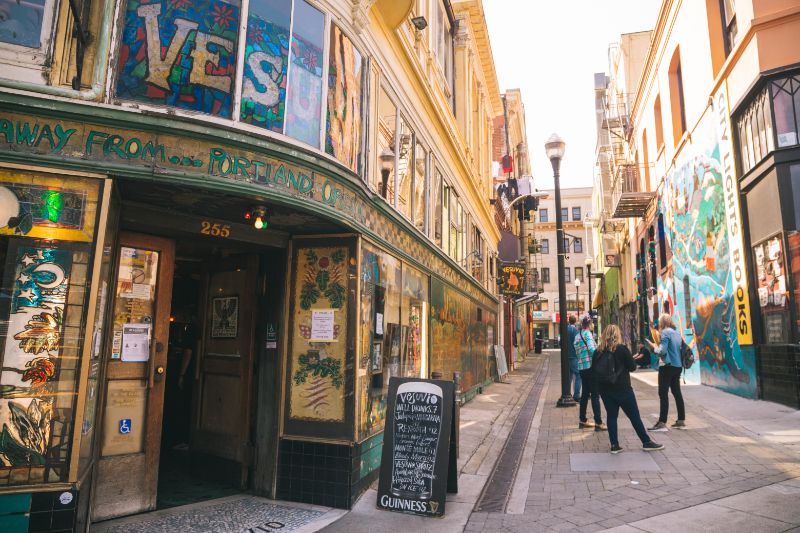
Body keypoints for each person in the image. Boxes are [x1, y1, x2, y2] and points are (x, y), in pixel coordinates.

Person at [595, 325, 664, 454]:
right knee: (634, 416)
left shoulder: (598, 351)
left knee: (611, 416)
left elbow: (595, 370)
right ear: (617, 335)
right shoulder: (621, 349)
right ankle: (646, 442)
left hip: (605, 390)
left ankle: (614, 445)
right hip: (623, 389)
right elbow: (632, 367)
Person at [646, 314, 686, 431]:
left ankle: (662, 421)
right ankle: (681, 420)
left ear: (662, 322)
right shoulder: (677, 333)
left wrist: (654, 347)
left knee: (663, 394)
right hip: (677, 366)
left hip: (667, 366)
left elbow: (662, 351)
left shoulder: (665, 333)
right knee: (676, 392)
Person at [574, 316, 604, 431]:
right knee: (595, 395)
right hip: (591, 368)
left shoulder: (577, 336)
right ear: (589, 324)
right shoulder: (588, 334)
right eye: (592, 323)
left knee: (585, 395)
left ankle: (582, 420)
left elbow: (577, 352)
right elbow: (592, 350)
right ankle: (598, 423)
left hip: (582, 368)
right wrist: (600, 352)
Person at [567, 315, 581, 402]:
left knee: (569, 376)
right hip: (574, 356)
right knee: (578, 375)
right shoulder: (575, 331)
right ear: (575, 321)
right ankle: (576, 395)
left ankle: (567, 393)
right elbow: (577, 343)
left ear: (569, 321)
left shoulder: (565, 330)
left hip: (566, 356)